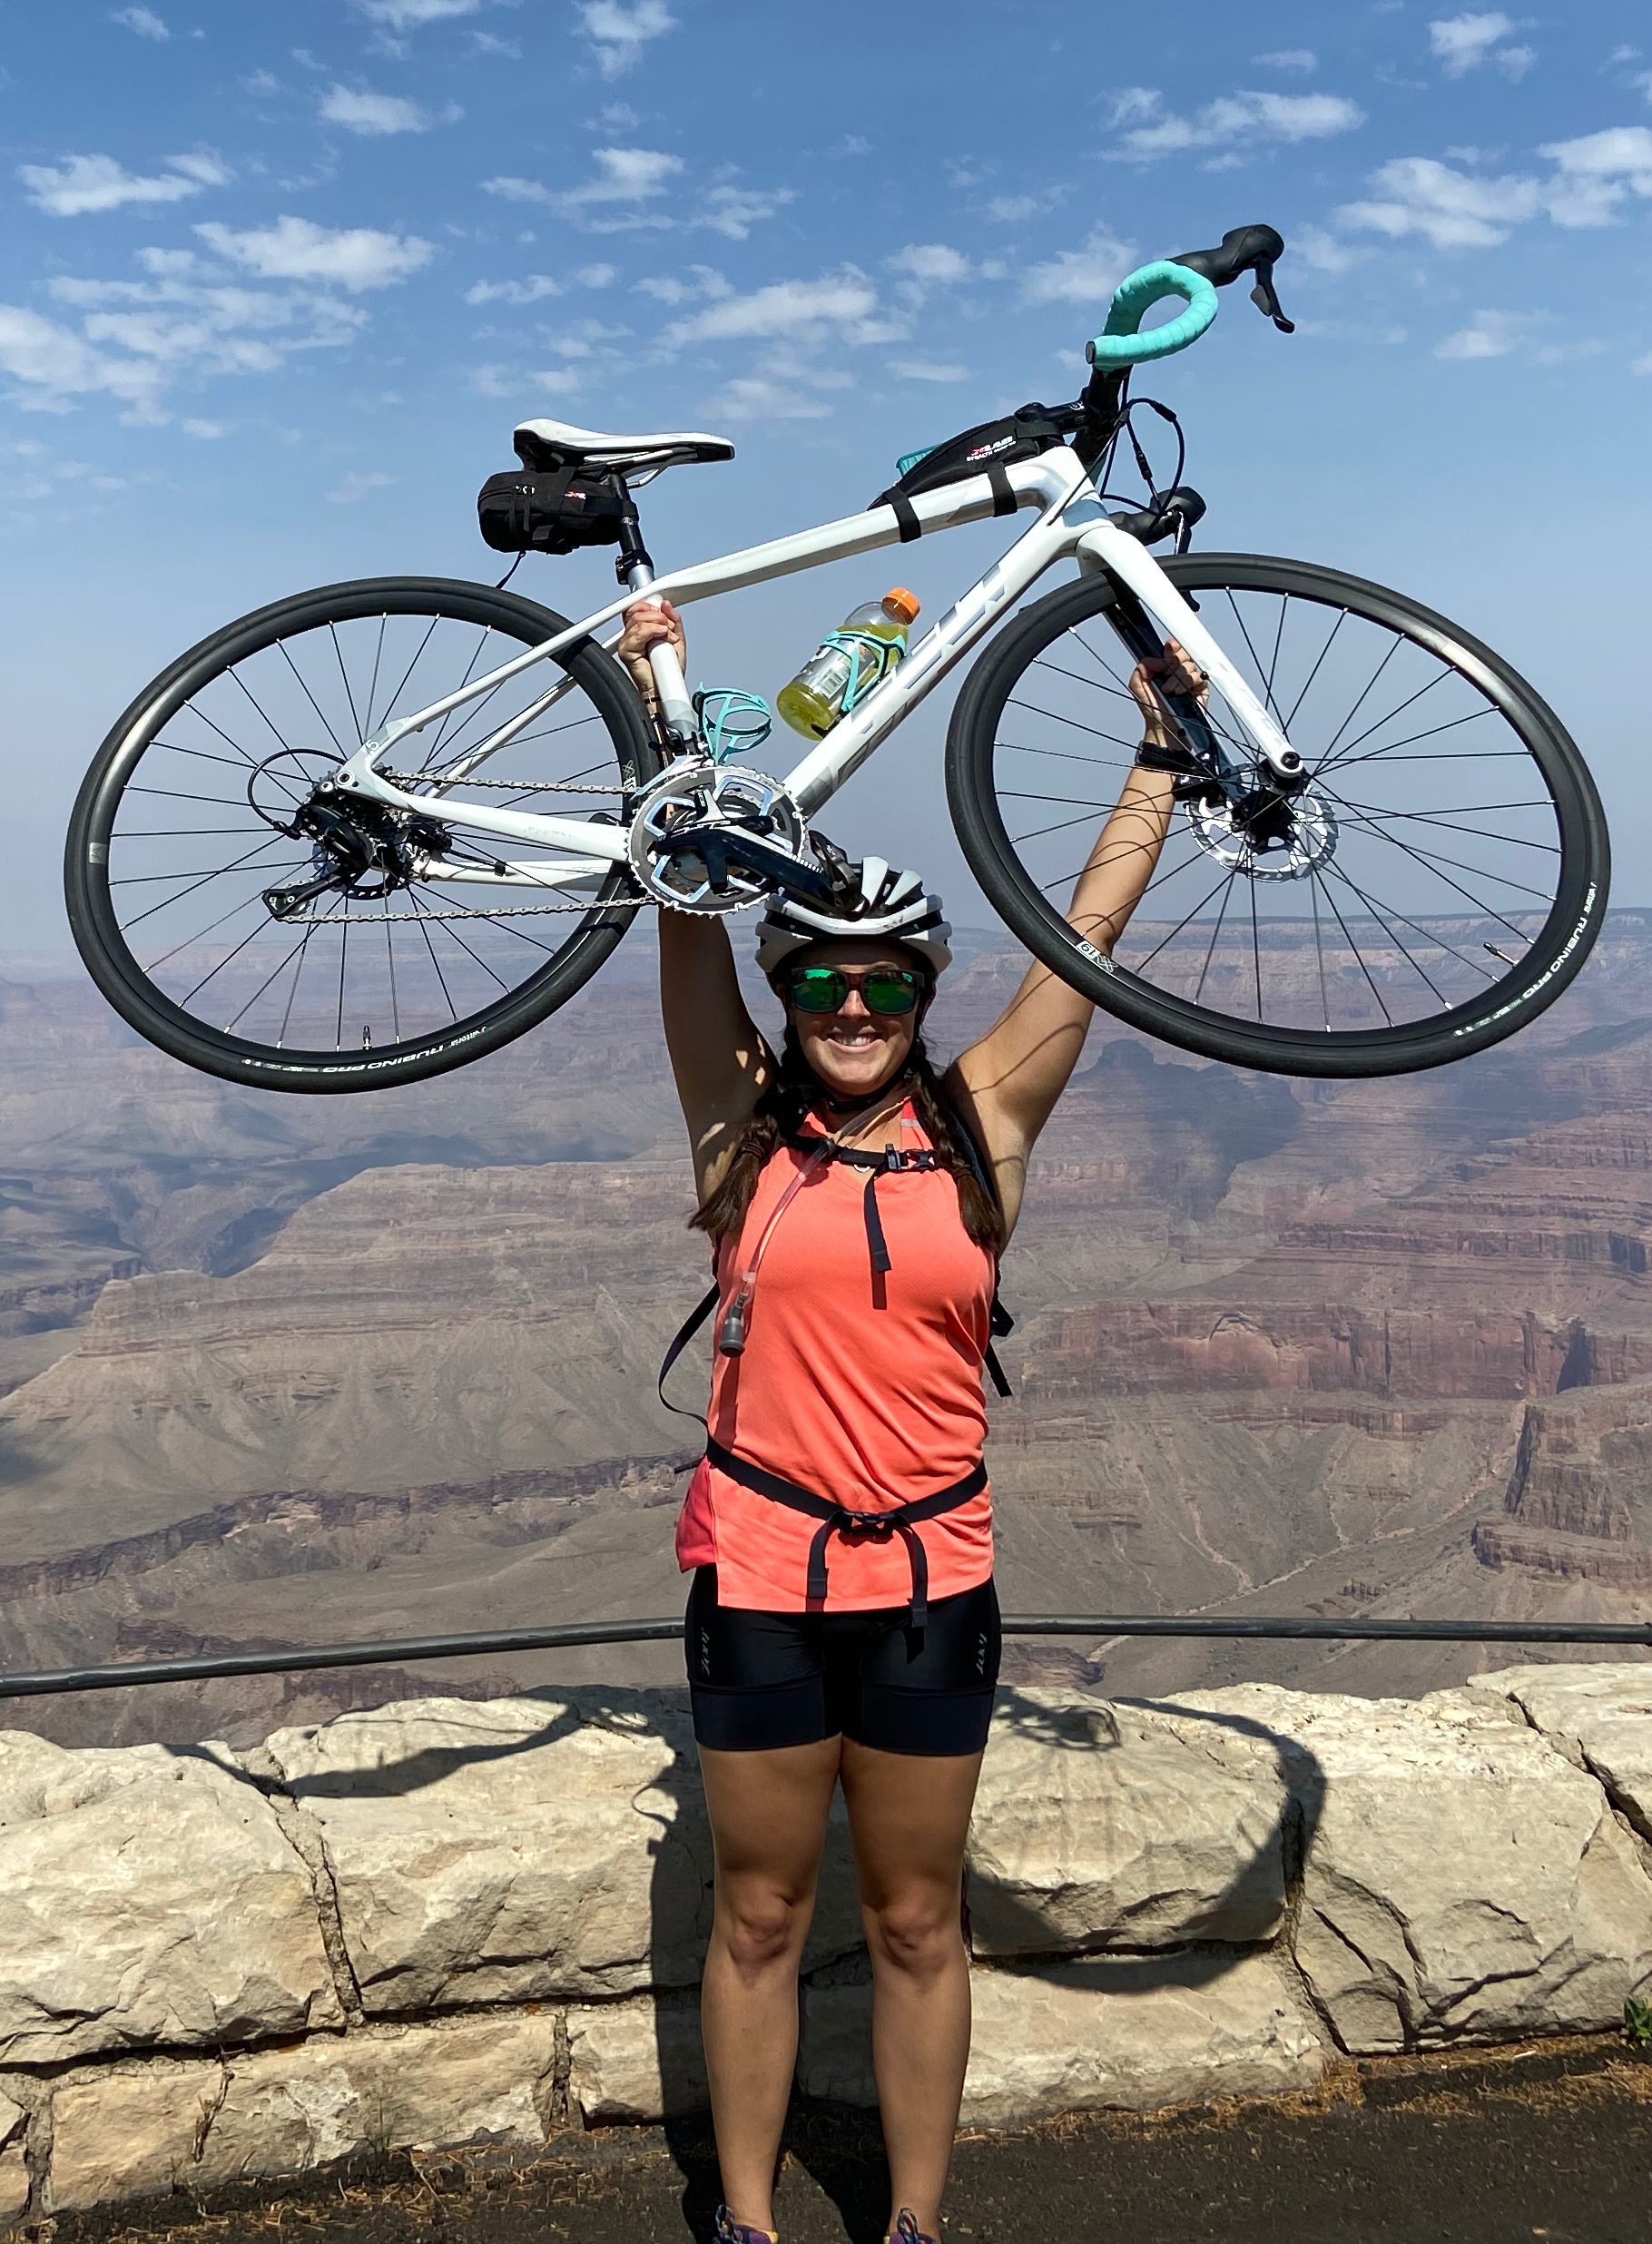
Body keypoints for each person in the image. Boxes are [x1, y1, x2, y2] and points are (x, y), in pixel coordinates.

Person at [617, 597, 1200, 2244]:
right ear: (789, 987)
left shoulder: (986, 1120)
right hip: (762, 1571)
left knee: (920, 1918)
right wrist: (665, 700)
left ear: (920, 994)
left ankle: (918, 2227)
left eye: (881, 983)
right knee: (756, 1913)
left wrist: (1157, 751)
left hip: (933, 1579)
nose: (849, 1004)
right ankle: (745, 2219)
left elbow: (1090, 933)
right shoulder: (739, 1132)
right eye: (818, 978)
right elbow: (681, 914)